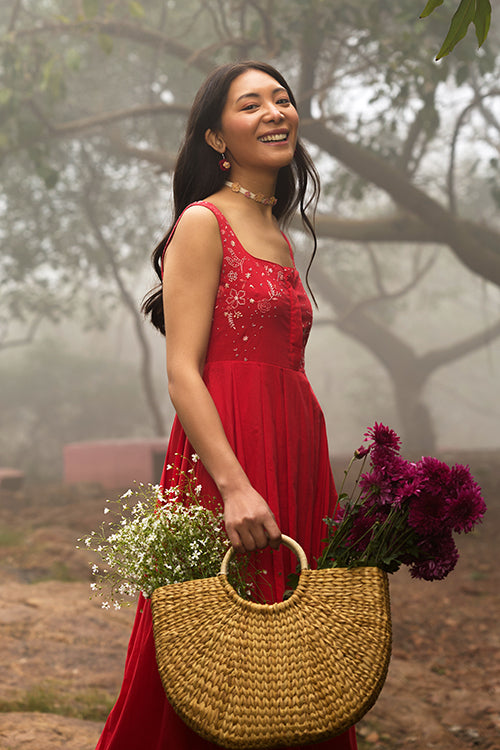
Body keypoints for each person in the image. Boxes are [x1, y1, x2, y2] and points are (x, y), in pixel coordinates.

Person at [95, 61, 358, 750]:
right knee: (217, 648)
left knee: (293, 652)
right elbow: (183, 372)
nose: (274, 112)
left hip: (294, 442)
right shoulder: (204, 223)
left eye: (282, 99)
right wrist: (235, 487)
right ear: (217, 135)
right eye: (251, 105)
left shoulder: (280, 232)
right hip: (229, 453)